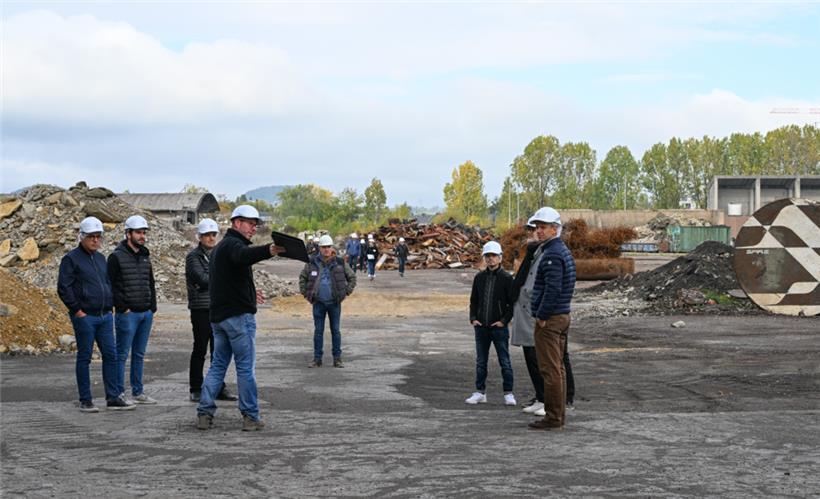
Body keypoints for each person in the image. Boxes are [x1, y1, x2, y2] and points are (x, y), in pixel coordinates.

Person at [196, 205, 285, 431]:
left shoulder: (219, 249)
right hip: (237, 318)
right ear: (236, 223)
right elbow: (244, 256)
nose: (254, 228)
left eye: (256, 224)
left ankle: (204, 412)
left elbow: (226, 280)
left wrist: (249, 292)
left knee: (217, 366)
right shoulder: (234, 246)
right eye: (250, 223)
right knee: (245, 368)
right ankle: (250, 416)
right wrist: (270, 250)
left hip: (219, 318)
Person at [58, 217, 134, 412]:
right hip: (86, 317)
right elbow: (64, 288)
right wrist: (78, 311)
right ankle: (86, 399)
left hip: (105, 316)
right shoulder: (71, 259)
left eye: (98, 237)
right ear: (82, 236)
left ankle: (113, 397)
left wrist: (111, 306)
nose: (95, 240)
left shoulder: (101, 259)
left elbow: (108, 284)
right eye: (91, 236)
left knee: (111, 355)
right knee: (85, 357)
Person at [528, 207, 576, 431]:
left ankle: (553, 417)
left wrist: (543, 315)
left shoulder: (552, 254)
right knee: (559, 369)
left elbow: (553, 288)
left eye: (543, 227)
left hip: (552, 317)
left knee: (549, 369)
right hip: (562, 314)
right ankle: (558, 414)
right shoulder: (560, 250)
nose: (539, 231)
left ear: (555, 229)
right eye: (537, 227)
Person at [185, 218, 237, 403]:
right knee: (200, 349)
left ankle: (218, 387)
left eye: (213, 234)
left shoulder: (219, 255)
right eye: (207, 235)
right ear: (200, 236)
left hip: (218, 307)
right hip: (201, 309)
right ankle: (196, 388)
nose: (210, 238)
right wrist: (223, 277)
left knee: (219, 350)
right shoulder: (193, 257)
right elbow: (202, 279)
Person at [107, 214, 158, 405]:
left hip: (145, 313)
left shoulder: (145, 255)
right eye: (138, 232)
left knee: (139, 354)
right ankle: (119, 393)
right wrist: (123, 307)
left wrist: (152, 307)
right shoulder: (116, 257)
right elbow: (110, 285)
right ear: (128, 234)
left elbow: (150, 282)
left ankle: (138, 391)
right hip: (127, 315)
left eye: (144, 232)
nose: (142, 236)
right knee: (122, 354)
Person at [465, 241, 516, 406]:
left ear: (500, 258)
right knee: (481, 362)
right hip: (481, 328)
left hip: (498, 328)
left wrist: (503, 321)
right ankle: (480, 392)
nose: (490, 259)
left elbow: (512, 303)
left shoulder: (507, 278)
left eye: (494, 255)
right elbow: (474, 300)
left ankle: (508, 393)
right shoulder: (479, 277)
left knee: (505, 361)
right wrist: (473, 318)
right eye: (487, 256)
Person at [299, 235, 357, 368]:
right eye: (324, 247)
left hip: (334, 303)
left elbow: (352, 278)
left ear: (332, 248)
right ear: (319, 248)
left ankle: (337, 359)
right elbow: (303, 277)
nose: (326, 249)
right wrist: (306, 294)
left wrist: (345, 293)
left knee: (335, 331)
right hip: (318, 303)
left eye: (328, 247)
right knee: (318, 331)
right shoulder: (312, 262)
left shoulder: (340, 262)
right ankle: (317, 359)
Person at [510, 222, 548, 417]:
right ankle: (540, 397)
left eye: (536, 230)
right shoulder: (534, 251)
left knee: (539, 359)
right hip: (525, 313)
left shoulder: (546, 253)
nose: (533, 233)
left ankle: (548, 400)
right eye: (532, 230)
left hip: (534, 314)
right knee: (530, 357)